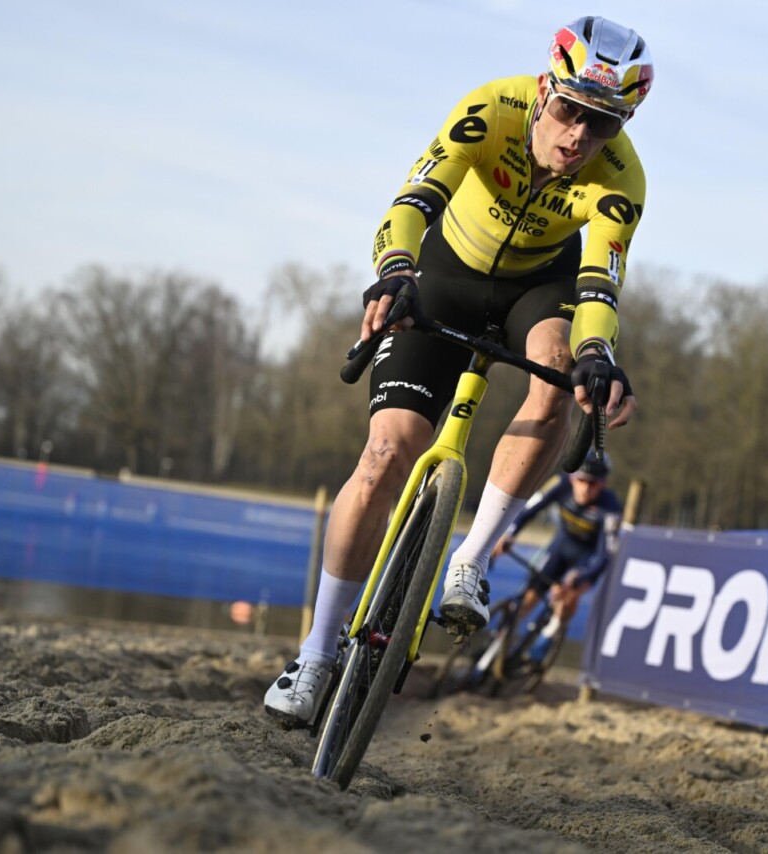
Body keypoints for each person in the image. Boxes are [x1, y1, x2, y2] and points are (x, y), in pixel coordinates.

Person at [264, 17, 654, 728]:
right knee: (385, 455)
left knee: (562, 369)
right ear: (544, 90)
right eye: (569, 110)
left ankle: (471, 558)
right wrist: (395, 275)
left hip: (538, 290)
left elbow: (600, 287)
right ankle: (317, 654)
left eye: (602, 125)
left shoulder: (622, 178)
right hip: (444, 273)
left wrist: (599, 355)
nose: (577, 137)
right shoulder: (491, 109)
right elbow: (412, 202)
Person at [492, 449, 622, 639]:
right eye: (581, 480)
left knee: (566, 599)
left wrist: (578, 579)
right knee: (529, 596)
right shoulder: (560, 483)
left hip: (588, 557)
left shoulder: (611, 508)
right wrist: (510, 534)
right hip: (561, 546)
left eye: (592, 483)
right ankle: (498, 642)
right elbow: (529, 510)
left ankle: (548, 638)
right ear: (572, 478)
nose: (585, 488)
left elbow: (605, 556)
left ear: (603, 484)